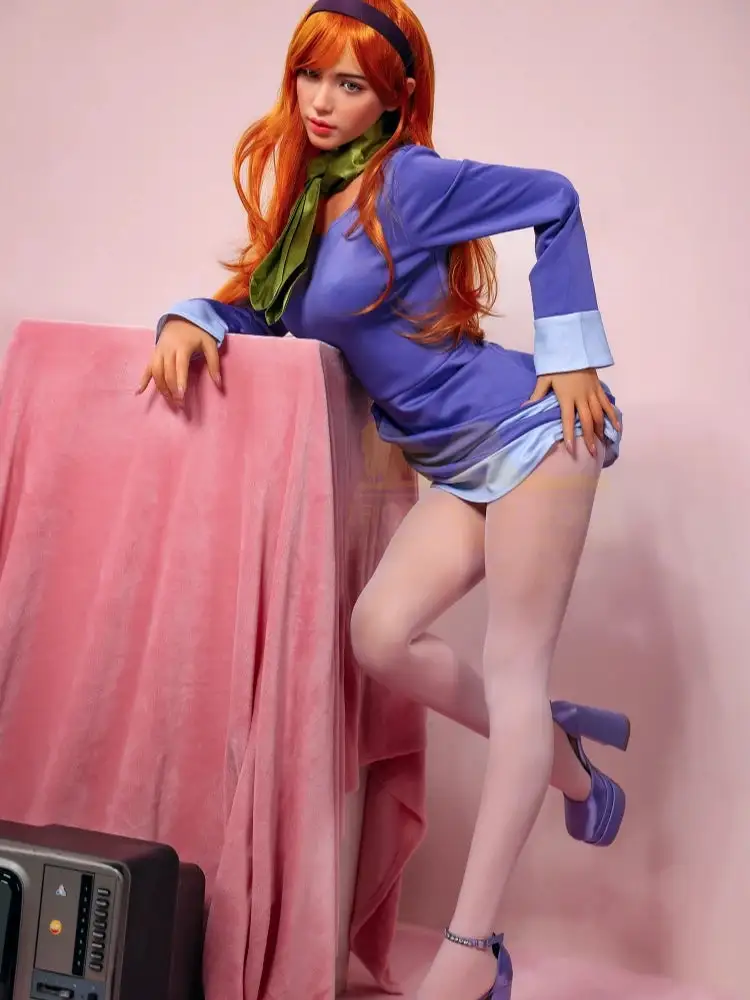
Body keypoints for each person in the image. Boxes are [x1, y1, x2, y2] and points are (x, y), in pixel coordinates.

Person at [138, 2, 629, 997]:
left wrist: (573, 351)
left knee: (516, 672)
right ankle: (569, 760)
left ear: (393, 99)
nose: (322, 101)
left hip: (534, 433)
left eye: (350, 84)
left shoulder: (408, 181)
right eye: (311, 76)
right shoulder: (314, 196)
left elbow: (555, 197)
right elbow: (268, 307)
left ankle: (472, 952)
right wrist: (192, 316)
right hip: (455, 461)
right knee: (380, 635)